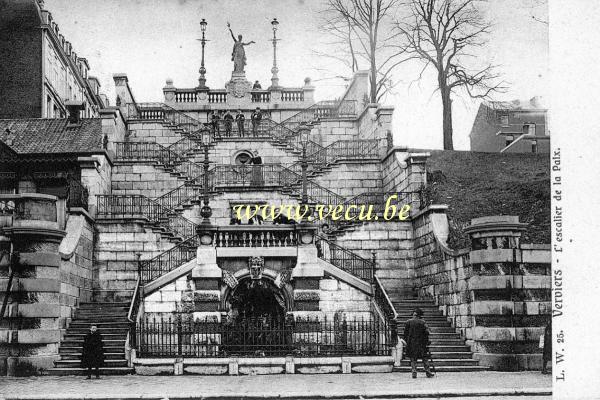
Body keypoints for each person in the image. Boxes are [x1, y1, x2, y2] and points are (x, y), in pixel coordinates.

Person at [403, 308, 434, 379]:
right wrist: (427, 341)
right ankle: (428, 372)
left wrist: (407, 341)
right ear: (420, 315)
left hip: (411, 343)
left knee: (413, 359)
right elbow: (427, 333)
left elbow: (405, 334)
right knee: (425, 358)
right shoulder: (423, 322)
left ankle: (414, 372)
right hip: (421, 343)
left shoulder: (408, 322)